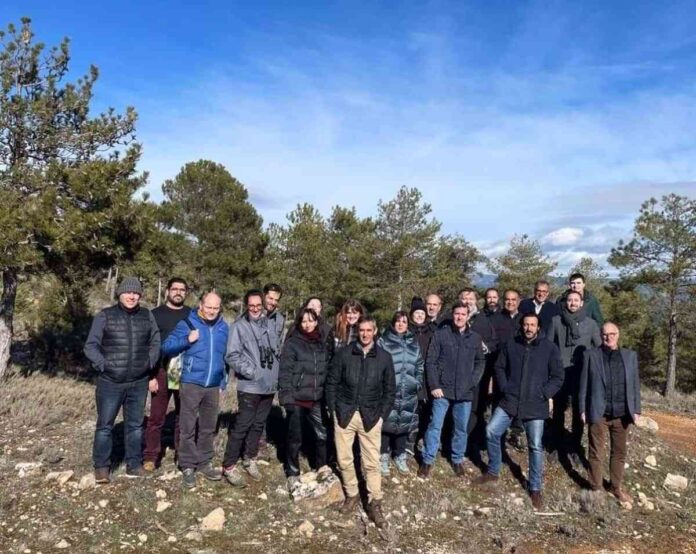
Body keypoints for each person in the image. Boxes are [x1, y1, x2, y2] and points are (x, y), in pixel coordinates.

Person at [474, 314, 564, 510]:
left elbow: (558, 376)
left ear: (538, 327)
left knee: (535, 445)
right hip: (510, 400)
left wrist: (545, 393)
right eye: (526, 324)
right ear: (521, 326)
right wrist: (505, 387)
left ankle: (535, 487)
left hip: (535, 404)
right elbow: (499, 367)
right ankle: (493, 470)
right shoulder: (511, 344)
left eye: (532, 325)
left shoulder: (549, 348)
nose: (528, 328)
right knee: (491, 431)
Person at [84, 277, 161, 483]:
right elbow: (90, 346)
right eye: (128, 292)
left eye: (136, 293)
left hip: (138, 382)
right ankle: (102, 467)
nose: (132, 296)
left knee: (135, 426)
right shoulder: (105, 315)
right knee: (105, 426)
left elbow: (155, 341)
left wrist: (148, 363)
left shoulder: (147, 316)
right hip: (110, 382)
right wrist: (105, 365)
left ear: (140, 296)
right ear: (120, 294)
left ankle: (134, 465)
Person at [326, 315, 396, 529]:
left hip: (371, 416)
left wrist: (381, 415)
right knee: (344, 459)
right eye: (361, 330)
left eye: (368, 330)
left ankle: (375, 502)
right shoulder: (344, 354)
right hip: (345, 413)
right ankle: (352, 493)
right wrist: (333, 410)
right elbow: (332, 383)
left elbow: (390, 391)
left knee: (372, 463)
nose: (365, 334)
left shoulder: (384, 358)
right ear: (357, 332)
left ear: (375, 331)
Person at [162, 291, 229, 489]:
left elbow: (224, 356)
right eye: (209, 307)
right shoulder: (187, 323)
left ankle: (204, 463)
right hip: (191, 382)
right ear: (201, 305)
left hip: (213, 385)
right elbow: (166, 347)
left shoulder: (223, 327)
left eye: (216, 308)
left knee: (208, 427)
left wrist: (223, 380)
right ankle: (188, 465)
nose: (212, 311)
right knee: (188, 426)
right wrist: (187, 340)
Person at [418, 302, 485, 478]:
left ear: (468, 316)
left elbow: (480, 361)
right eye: (457, 314)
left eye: (463, 314)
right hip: (442, 390)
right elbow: (430, 361)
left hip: (464, 392)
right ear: (452, 315)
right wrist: (434, 385)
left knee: (461, 428)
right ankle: (427, 460)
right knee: (435, 425)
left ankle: (457, 459)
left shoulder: (475, 338)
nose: (459, 317)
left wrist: (472, 381)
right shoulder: (441, 335)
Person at [222, 289, 280, 487]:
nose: (255, 309)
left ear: (263, 305)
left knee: (258, 425)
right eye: (251, 305)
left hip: (268, 386)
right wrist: (252, 372)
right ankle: (229, 465)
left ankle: (250, 457)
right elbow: (232, 355)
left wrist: (275, 376)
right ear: (246, 306)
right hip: (250, 385)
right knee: (243, 424)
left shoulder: (270, 325)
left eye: (258, 305)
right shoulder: (239, 326)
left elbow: (275, 352)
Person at [579, 322, 641, 504]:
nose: (609, 337)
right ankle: (597, 488)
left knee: (619, 453)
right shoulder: (591, 355)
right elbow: (584, 384)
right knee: (596, 452)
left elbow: (635, 385)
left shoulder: (630, 356)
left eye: (612, 334)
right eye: (605, 334)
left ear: (618, 334)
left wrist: (636, 409)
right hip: (599, 412)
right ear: (601, 336)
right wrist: (582, 409)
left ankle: (616, 488)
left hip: (622, 414)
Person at [278, 307, 332, 489]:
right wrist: (286, 397)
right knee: (295, 438)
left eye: (311, 320)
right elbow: (285, 372)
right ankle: (292, 472)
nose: (307, 324)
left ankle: (321, 466)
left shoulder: (321, 344)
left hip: (317, 398)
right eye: (304, 321)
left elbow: (325, 370)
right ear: (299, 323)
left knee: (322, 434)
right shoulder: (293, 343)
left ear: (317, 322)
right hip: (297, 398)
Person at [143, 277, 191, 472]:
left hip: (185, 371)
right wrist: (150, 376)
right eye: (174, 289)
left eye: (182, 289)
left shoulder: (191, 314)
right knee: (156, 417)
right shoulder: (155, 314)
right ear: (167, 291)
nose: (178, 292)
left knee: (183, 416)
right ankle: (151, 456)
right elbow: (147, 346)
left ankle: (182, 455)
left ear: (186, 293)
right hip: (161, 371)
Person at [550, 290, 601, 458]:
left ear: (581, 303)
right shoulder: (556, 321)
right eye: (570, 300)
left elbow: (598, 347)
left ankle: (575, 446)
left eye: (576, 300)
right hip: (560, 372)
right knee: (558, 410)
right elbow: (548, 346)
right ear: (565, 303)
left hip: (581, 373)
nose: (572, 303)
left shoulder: (591, 324)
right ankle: (556, 445)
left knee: (579, 410)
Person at [377, 311, 424, 475]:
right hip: (389, 390)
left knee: (404, 423)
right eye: (397, 321)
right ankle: (383, 454)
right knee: (386, 422)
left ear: (407, 324)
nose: (400, 324)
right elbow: (378, 364)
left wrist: (417, 382)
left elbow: (419, 365)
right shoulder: (384, 341)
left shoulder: (413, 343)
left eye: (404, 322)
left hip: (408, 391)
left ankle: (400, 454)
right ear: (393, 323)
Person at [457, 288, 498, 458]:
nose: (467, 301)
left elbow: (494, 342)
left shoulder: (483, 320)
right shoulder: (454, 317)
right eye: (464, 298)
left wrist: (484, 347)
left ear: (476, 300)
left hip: (478, 374)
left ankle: (470, 442)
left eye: (470, 298)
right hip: (456, 373)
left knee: (475, 408)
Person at [408, 297, 433, 457]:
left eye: (422, 313)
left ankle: (422, 438)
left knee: (426, 411)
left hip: (428, 377)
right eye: (416, 313)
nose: (419, 316)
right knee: (411, 410)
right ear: (412, 315)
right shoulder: (407, 331)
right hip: (411, 376)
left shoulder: (431, 332)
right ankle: (409, 441)